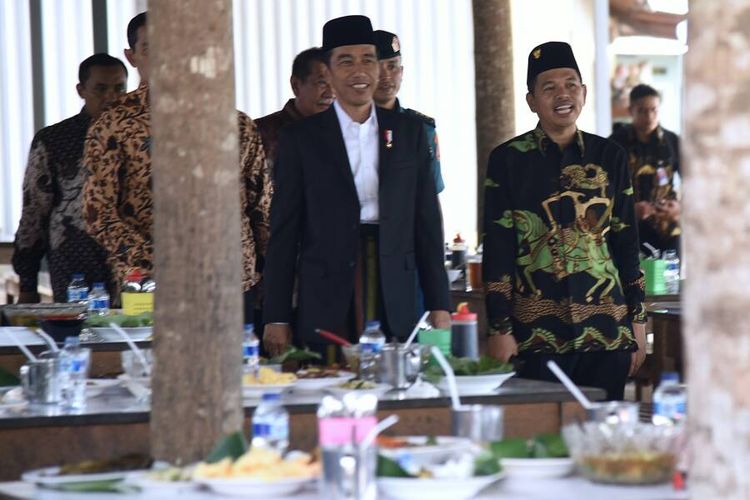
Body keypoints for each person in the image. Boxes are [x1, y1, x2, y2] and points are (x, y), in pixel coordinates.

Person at [262, 15, 451, 356]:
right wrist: (275, 315)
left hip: (395, 281)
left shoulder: (409, 132)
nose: (359, 71)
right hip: (328, 285)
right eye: (345, 62)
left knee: (396, 384)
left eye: (367, 60)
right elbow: (285, 231)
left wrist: (440, 302)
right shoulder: (301, 139)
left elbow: (427, 222)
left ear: (379, 68)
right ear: (330, 72)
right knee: (330, 385)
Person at [482, 41, 647, 400]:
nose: (563, 94)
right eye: (549, 87)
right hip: (534, 335)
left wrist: (638, 320)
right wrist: (499, 327)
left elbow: (626, 243)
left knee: (603, 440)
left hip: (607, 332)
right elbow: (497, 251)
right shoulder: (507, 160)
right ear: (531, 101)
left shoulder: (611, 156)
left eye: (571, 84)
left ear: (584, 93)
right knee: (542, 440)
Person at [82, 12, 272, 315]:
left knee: (236, 363)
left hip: (230, 281)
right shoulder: (113, 124)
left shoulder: (236, 124)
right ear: (132, 57)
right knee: (147, 363)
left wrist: (273, 276)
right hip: (150, 284)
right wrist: (160, 257)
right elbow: (97, 214)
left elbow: (262, 207)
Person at [12, 54, 128, 303]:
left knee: (137, 336)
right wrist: (28, 282)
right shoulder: (54, 140)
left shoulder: (140, 138)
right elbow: (34, 212)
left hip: (133, 263)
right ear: (81, 90)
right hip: (74, 261)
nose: (111, 97)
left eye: (119, 88)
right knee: (76, 335)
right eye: (100, 88)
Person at [609, 84, 680, 255]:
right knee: (637, 280)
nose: (649, 116)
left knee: (669, 279)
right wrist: (629, 209)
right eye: (642, 110)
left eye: (654, 110)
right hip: (628, 229)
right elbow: (603, 190)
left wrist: (679, 207)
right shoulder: (615, 144)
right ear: (630, 110)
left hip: (668, 228)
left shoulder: (672, 142)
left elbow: (695, 182)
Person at [373, 29, 444, 193]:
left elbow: (431, 195)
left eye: (392, 66)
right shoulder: (352, 125)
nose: (386, 76)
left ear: (402, 72)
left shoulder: (422, 128)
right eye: (377, 68)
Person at [256, 47, 334, 165]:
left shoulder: (346, 133)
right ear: (296, 85)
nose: (331, 93)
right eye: (322, 83)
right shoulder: (259, 135)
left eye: (337, 83)